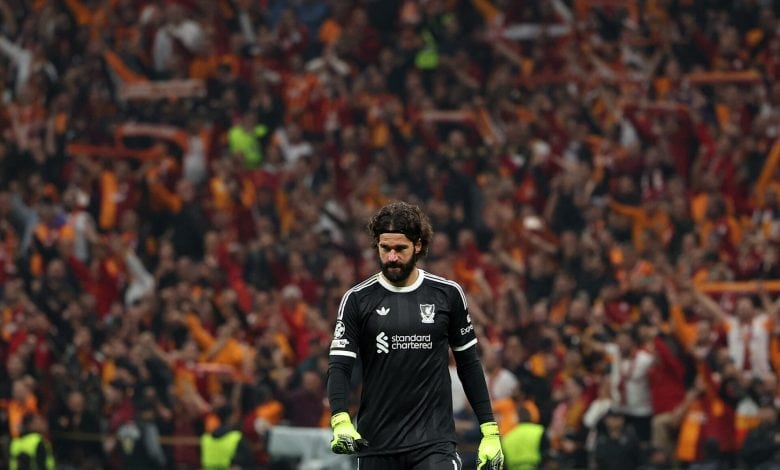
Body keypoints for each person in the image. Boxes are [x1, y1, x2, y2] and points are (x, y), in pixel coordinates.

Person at [326, 201, 504, 469]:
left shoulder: (447, 294)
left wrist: (489, 430)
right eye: (385, 249)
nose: (392, 257)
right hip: (377, 445)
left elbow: (468, 364)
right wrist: (340, 419)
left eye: (400, 249)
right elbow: (340, 366)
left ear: (418, 245)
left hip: (433, 443)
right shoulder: (357, 300)